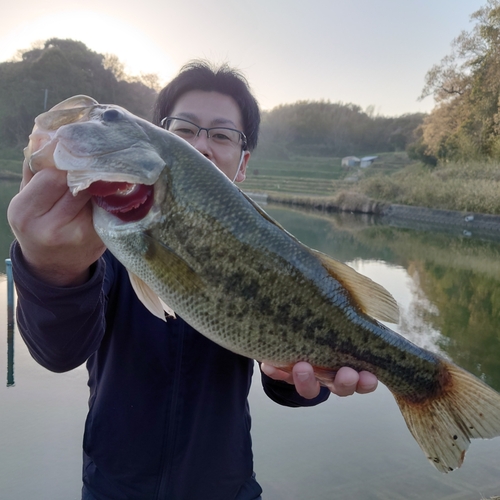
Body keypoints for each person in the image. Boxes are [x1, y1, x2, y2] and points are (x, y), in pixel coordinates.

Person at [7, 61, 378, 500]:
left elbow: (289, 377)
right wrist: (53, 271)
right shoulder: (105, 242)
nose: (201, 146)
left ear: (243, 163)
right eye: (184, 129)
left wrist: (300, 378)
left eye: (221, 135)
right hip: (113, 488)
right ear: (157, 139)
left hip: (225, 489)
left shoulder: (273, 252)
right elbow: (58, 352)